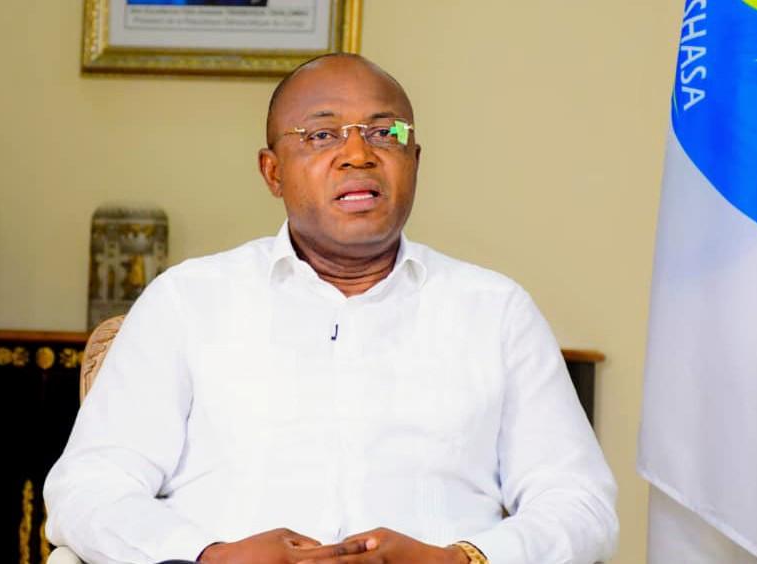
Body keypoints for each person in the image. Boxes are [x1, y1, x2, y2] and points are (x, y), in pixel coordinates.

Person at [44, 53, 618, 564]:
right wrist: (211, 556)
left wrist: (460, 559)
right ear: (273, 171)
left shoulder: (495, 312)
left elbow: (579, 501)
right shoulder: (187, 302)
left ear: (415, 159)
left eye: (385, 133)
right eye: (321, 135)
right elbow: (89, 488)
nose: (358, 155)